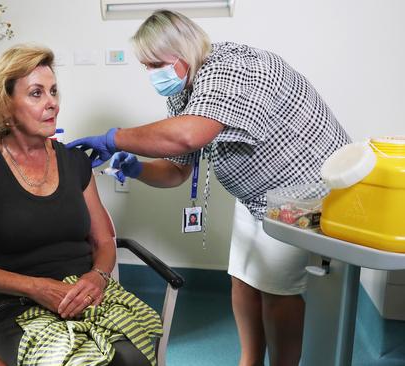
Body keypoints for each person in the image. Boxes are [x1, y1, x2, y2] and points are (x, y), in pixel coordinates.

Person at [67, 10, 351, 366]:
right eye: (146, 66)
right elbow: (176, 170)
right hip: (256, 198)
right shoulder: (185, 91)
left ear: (184, 55)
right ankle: (249, 361)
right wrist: (137, 167)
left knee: (279, 293)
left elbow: (187, 135)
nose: (153, 74)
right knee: (243, 281)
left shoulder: (230, 68)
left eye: (157, 63)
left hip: (303, 194)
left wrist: (114, 138)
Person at [0, 44, 161, 366]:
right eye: (36, 94)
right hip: (16, 306)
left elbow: (104, 240)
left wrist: (96, 277)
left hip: (83, 295)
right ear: (5, 105)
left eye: (53, 91)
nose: (52, 102)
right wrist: (36, 287)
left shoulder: (75, 162)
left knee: (131, 360)